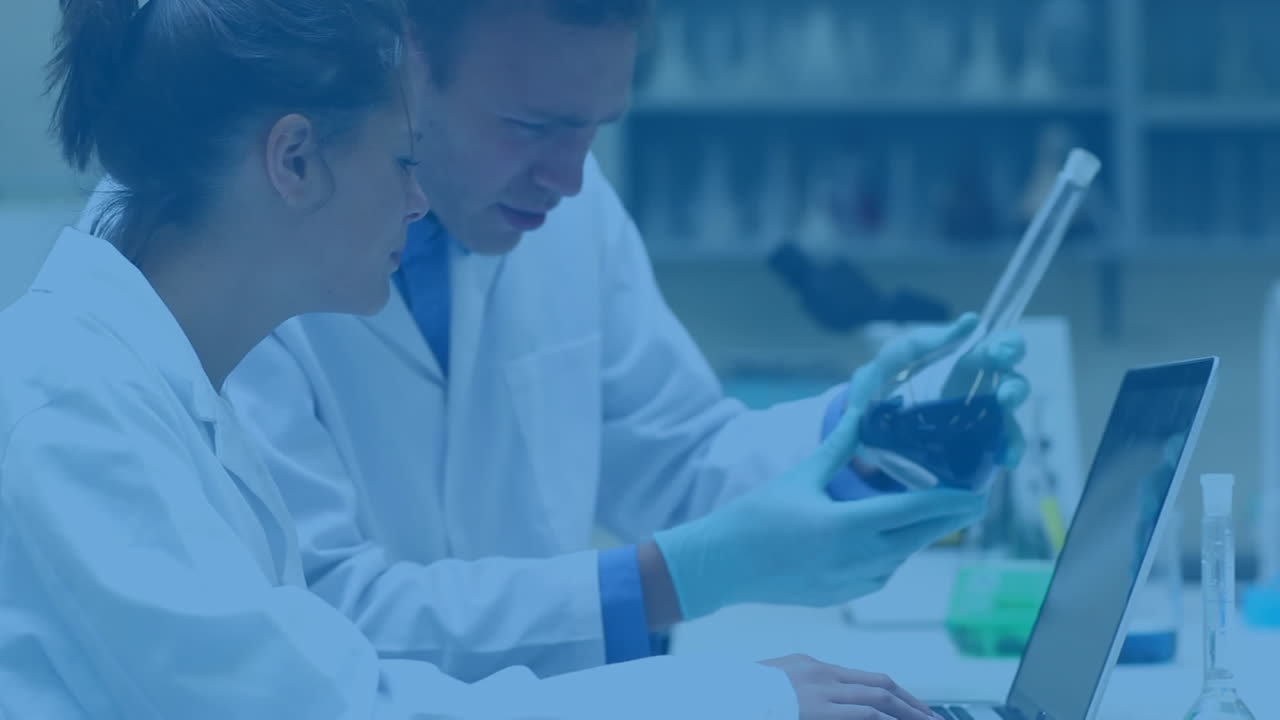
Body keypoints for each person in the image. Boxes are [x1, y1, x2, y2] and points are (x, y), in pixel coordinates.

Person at [2, 0, 984, 718]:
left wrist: (867, 435)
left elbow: (673, 447)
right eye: (400, 161)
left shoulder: (159, 381)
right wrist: (726, 696)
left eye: (591, 132)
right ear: (296, 159)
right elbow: (334, 692)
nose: (417, 201)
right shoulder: (76, 408)